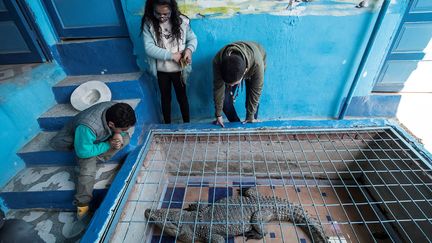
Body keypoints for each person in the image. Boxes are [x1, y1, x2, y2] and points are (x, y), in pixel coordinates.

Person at [50, 102, 136, 221]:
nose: (124, 130)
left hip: (96, 138)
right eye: (122, 129)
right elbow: (83, 152)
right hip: (79, 143)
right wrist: (107, 144)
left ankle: (96, 158)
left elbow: (120, 132)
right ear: (111, 124)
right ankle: (82, 205)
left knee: (125, 139)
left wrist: (119, 134)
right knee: (87, 171)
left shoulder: (116, 109)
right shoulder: (86, 127)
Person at [141, 0, 198, 124]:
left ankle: (187, 124)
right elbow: (149, 48)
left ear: (172, 9)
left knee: (182, 97)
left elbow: (192, 39)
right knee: (165, 99)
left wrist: (189, 50)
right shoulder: (148, 23)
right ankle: (167, 125)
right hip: (162, 71)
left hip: (180, 70)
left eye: (166, 14)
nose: (162, 17)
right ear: (152, 9)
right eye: (158, 13)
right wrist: (171, 55)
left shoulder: (182, 21)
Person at [212, 41, 266, 127]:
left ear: (244, 73)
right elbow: (218, 88)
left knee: (251, 100)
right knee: (225, 101)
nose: (232, 86)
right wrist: (218, 114)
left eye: (234, 84)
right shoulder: (218, 61)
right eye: (230, 84)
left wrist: (250, 115)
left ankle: (250, 121)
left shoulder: (258, 64)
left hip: (255, 60)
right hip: (235, 66)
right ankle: (236, 125)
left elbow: (256, 91)